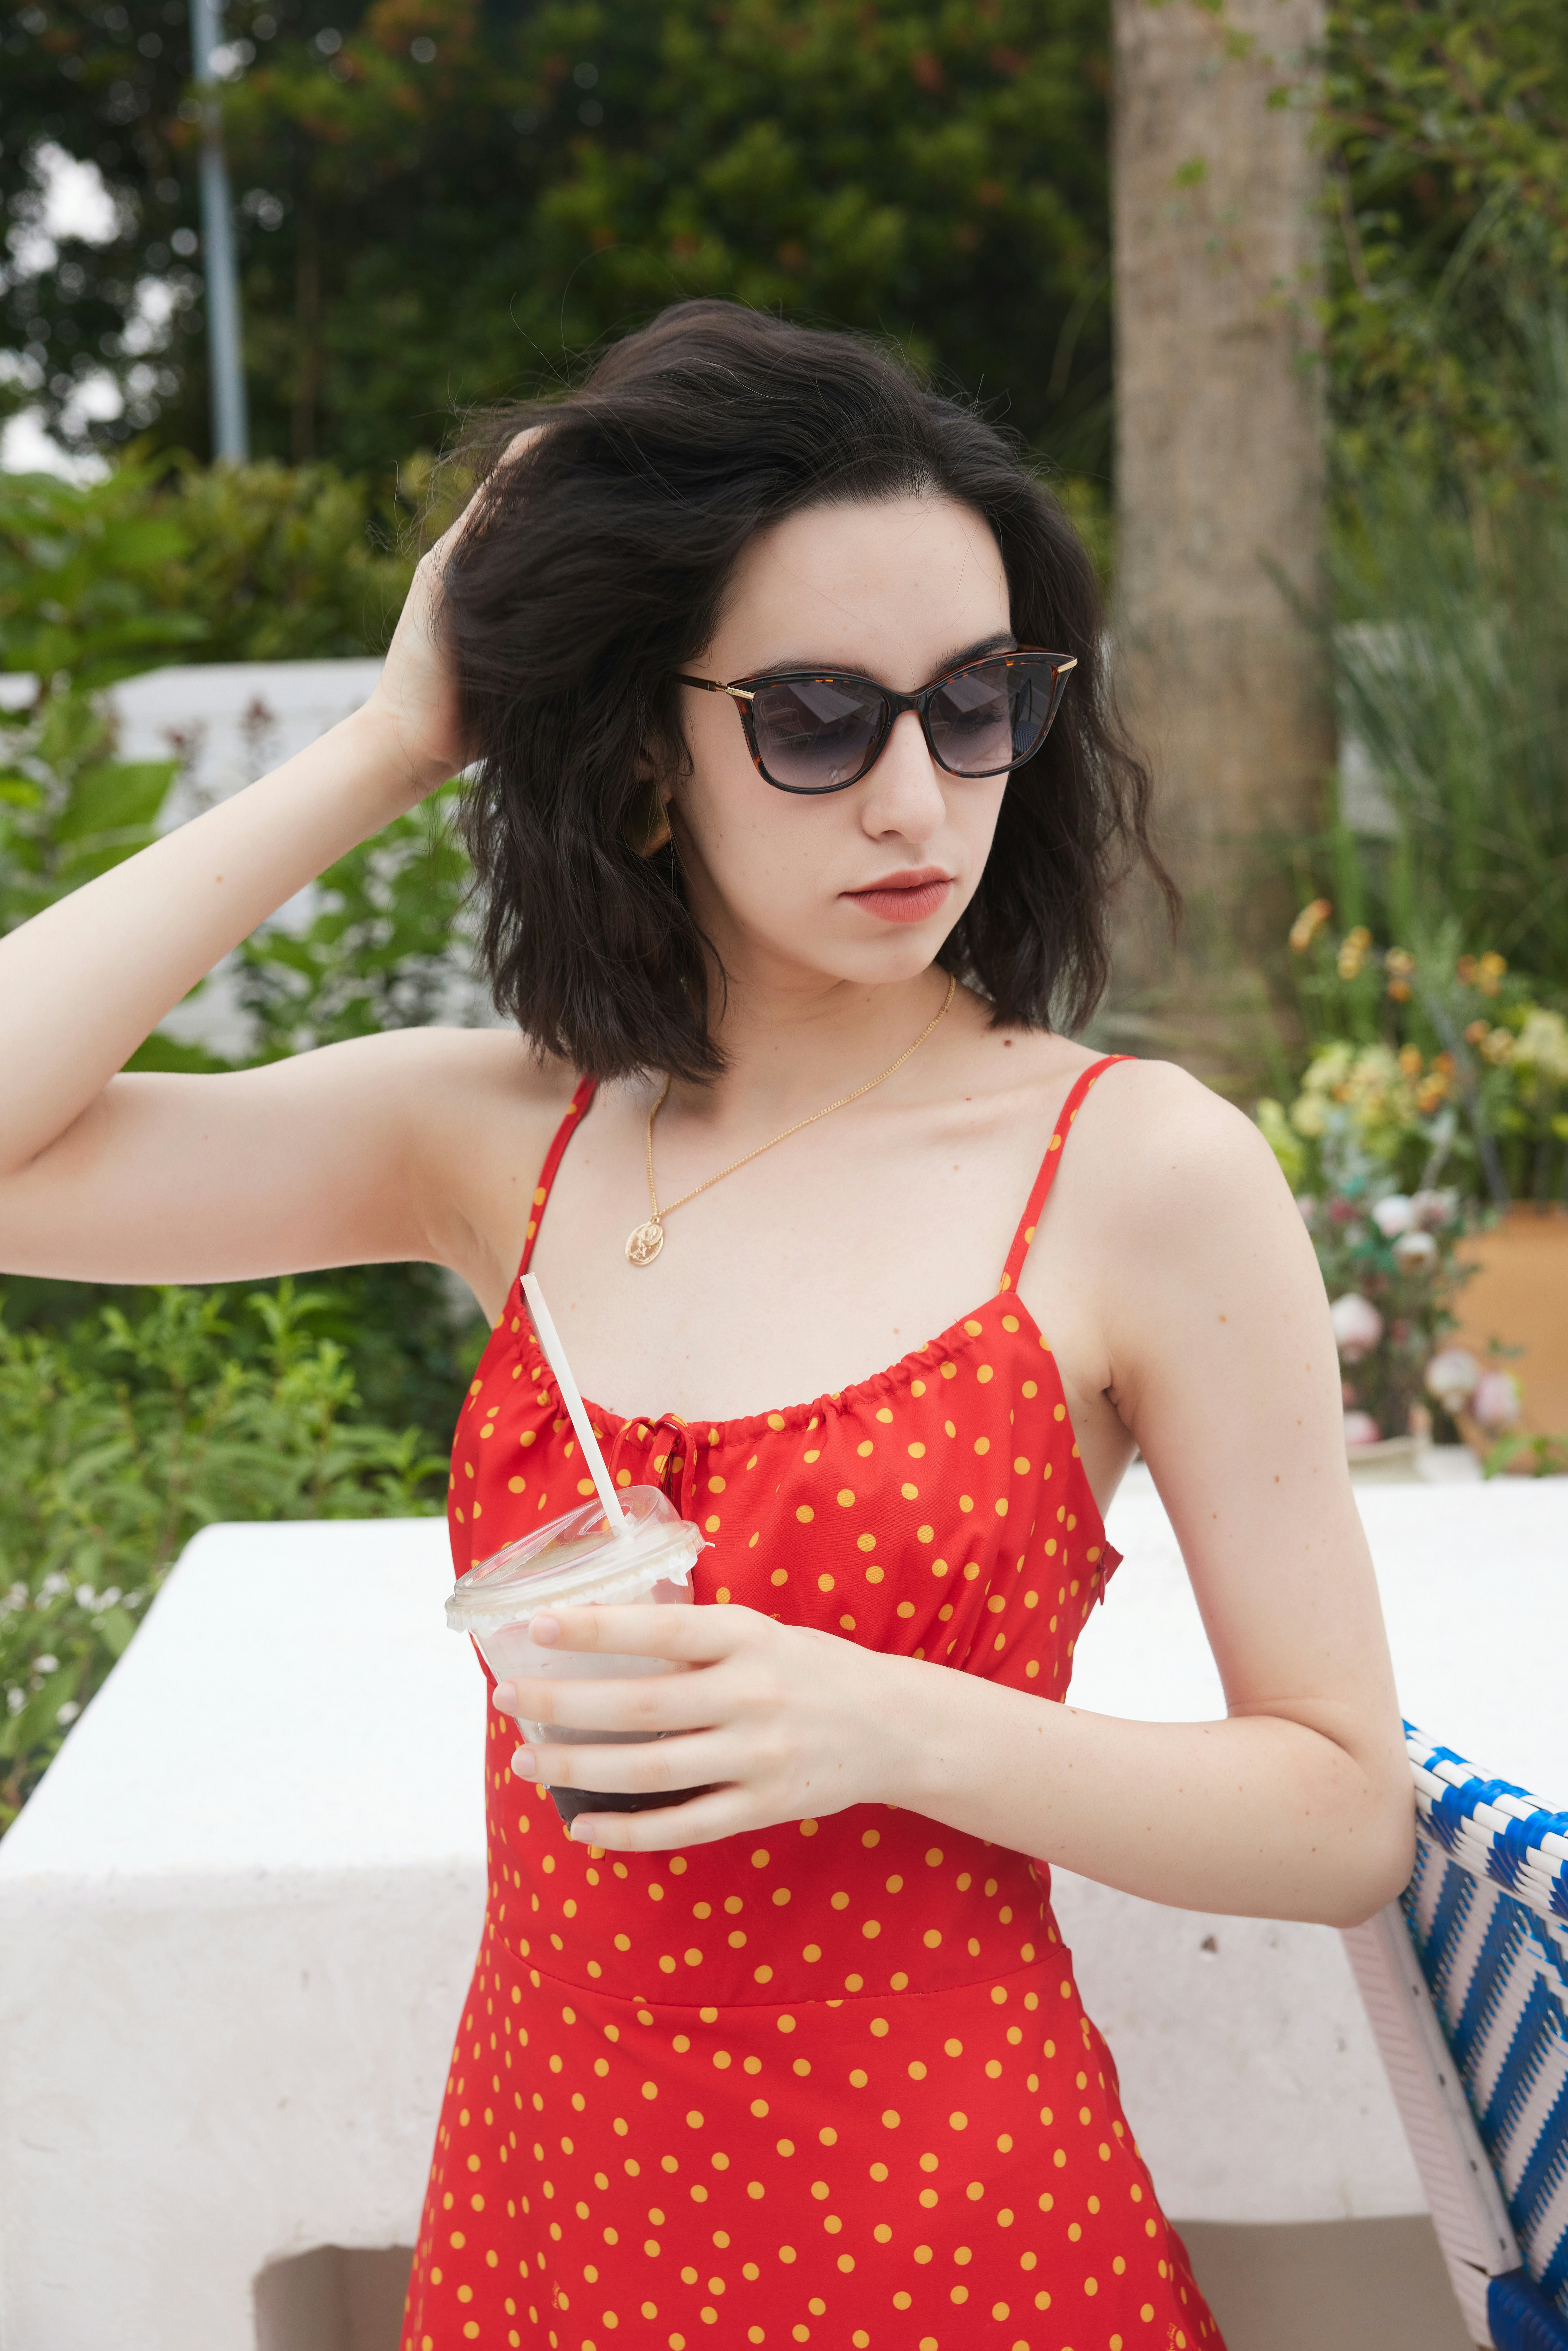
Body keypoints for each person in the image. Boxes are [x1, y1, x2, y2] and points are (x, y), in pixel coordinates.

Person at [0, 301, 1413, 2351]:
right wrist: (402, 733)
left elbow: (1339, 1805)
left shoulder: (1134, 1171)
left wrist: (879, 1721)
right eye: (819, 718)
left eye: (977, 703)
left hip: (956, 2236)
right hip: (545, 2229)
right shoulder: (501, 1136)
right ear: (642, 754)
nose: (916, 798)